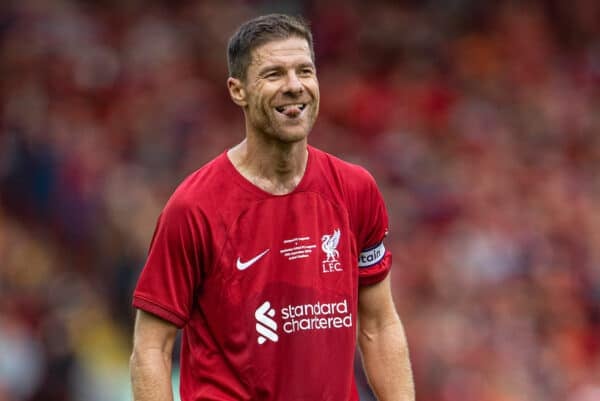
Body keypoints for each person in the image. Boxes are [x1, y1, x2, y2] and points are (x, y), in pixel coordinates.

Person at [130, 13, 414, 401]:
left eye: (304, 71)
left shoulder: (355, 190)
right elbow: (151, 349)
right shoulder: (193, 208)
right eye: (274, 74)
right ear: (238, 90)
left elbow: (379, 326)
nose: (295, 86)